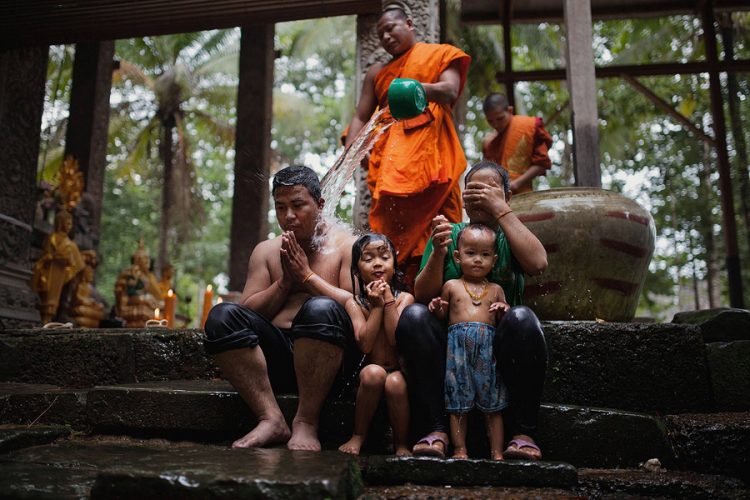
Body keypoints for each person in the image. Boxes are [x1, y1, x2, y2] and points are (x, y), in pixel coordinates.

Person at [396, 160, 548, 460]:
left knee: (524, 318)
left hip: (501, 344)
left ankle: (523, 433)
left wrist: (500, 209)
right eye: (473, 189)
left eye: (489, 188)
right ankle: (436, 430)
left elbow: (539, 263)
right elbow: (422, 294)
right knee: (412, 316)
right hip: (453, 348)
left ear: (506, 195)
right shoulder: (451, 234)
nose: (480, 195)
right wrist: (439, 252)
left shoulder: (508, 232)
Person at [203, 165, 358, 451]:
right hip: (274, 359)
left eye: (298, 205)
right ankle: (271, 418)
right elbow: (248, 312)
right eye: (281, 207)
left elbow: (356, 312)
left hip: (329, 360)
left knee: (319, 308)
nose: (289, 216)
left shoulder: (346, 247)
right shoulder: (266, 251)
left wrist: (307, 279)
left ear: (320, 204)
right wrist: (285, 283)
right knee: (221, 316)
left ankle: (307, 422)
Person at [344, 4, 471, 286]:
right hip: (392, 171)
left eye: (391, 28)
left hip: (435, 163)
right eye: (381, 34)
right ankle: (399, 294)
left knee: (443, 228)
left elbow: (449, 90)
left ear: (410, 24)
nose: (386, 36)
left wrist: (415, 88)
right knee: (391, 236)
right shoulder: (376, 73)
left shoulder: (439, 54)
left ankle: (444, 292)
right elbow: (360, 116)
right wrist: (352, 149)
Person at [428, 224, 510, 460]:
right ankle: (459, 449)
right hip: (458, 352)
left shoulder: (495, 289)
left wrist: (504, 309)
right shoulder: (451, 286)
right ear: (457, 256)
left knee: (493, 405)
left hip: (487, 351)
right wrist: (436, 308)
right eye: (471, 253)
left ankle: (496, 452)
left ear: (494, 260)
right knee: (457, 403)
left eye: (485, 255)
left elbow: (505, 317)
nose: (477, 260)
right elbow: (443, 316)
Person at [338, 233, 414, 456]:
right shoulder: (355, 302)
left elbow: (394, 339)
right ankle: (358, 435)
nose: (378, 263)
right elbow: (365, 345)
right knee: (373, 373)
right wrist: (376, 307)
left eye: (384, 257)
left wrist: (387, 300)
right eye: (368, 258)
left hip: (398, 372)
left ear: (394, 264)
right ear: (356, 270)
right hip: (369, 374)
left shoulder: (405, 299)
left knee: (396, 382)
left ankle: (401, 443)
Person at [481, 93, 553, 195]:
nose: (496, 124)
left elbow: (541, 164)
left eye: (500, 118)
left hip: (523, 194)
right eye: (490, 121)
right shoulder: (489, 142)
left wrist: (516, 184)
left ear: (510, 110)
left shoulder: (528, 127)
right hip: (497, 197)